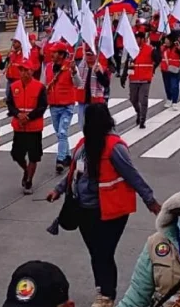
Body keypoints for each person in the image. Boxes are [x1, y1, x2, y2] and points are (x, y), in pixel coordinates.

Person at [46, 104, 161, 307]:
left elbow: (133, 176)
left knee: (104, 253)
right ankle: (101, 290)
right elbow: (73, 173)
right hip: (84, 210)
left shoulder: (115, 147)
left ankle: (108, 298)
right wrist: (58, 190)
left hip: (111, 211)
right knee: (96, 253)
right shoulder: (83, 145)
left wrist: (150, 201)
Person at [8, 62, 48, 194]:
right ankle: (26, 170)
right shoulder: (14, 86)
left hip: (34, 127)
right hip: (19, 127)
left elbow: (42, 107)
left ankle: (29, 181)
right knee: (16, 154)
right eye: (22, 70)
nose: (24, 73)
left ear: (32, 71)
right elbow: (10, 104)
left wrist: (28, 117)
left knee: (33, 156)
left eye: (27, 70)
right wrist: (18, 114)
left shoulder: (40, 87)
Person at [45, 44, 83, 174]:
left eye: (55, 52)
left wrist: (74, 72)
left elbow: (78, 83)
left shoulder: (70, 66)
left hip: (67, 106)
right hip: (53, 106)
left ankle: (60, 160)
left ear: (61, 55)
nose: (52, 55)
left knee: (62, 132)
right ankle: (67, 156)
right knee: (59, 133)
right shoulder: (48, 67)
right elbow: (44, 83)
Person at [121, 32, 155, 130]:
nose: (136, 40)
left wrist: (152, 69)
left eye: (137, 38)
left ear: (142, 39)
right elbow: (127, 63)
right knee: (133, 99)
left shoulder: (150, 49)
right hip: (133, 79)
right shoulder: (131, 50)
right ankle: (139, 112)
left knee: (143, 100)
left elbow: (157, 59)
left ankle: (142, 120)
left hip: (145, 79)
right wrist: (124, 76)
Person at [76, 48, 111, 125]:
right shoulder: (80, 67)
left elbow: (106, 83)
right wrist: (73, 72)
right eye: (87, 54)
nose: (89, 56)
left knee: (93, 123)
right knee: (82, 122)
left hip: (95, 100)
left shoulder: (100, 68)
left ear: (95, 55)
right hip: (82, 99)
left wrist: (98, 73)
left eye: (91, 54)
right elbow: (75, 81)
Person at [158, 33, 180, 109]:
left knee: (174, 86)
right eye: (165, 39)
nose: (166, 41)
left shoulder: (177, 48)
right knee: (167, 86)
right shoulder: (163, 48)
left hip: (175, 70)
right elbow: (157, 56)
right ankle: (169, 99)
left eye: (168, 40)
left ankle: (174, 101)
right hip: (165, 70)